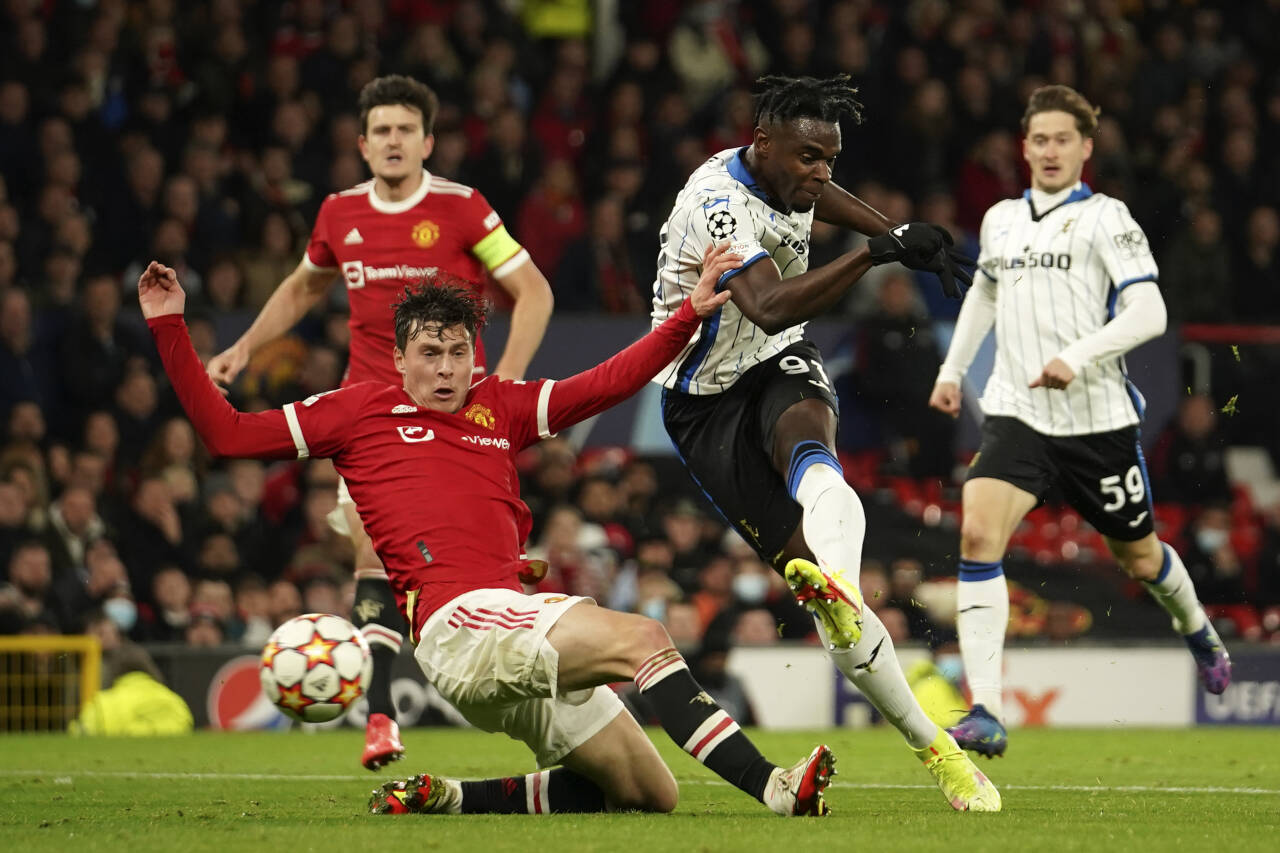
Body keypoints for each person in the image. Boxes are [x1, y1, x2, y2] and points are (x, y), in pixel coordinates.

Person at [139, 249, 836, 818]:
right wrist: (170, 325)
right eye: (431, 352)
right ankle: (778, 789)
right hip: (460, 625)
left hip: (508, 622)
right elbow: (225, 434)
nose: (446, 369)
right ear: (400, 355)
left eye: (459, 352)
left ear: (476, 353)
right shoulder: (354, 412)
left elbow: (604, 383)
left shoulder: (496, 404)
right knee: (644, 639)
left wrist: (686, 316)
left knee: (649, 794)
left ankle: (450, 798)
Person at [650, 74, 999, 812]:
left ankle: (839, 590)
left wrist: (890, 232)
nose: (820, 172)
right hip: (702, 402)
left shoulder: (793, 176)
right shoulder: (718, 204)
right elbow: (769, 305)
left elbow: (818, 203)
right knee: (830, 605)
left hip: (774, 364)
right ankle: (930, 739)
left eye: (830, 158)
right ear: (762, 143)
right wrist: (878, 255)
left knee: (815, 450)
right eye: (808, 156)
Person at [205, 75, 555, 770]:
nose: (393, 142)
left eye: (405, 130)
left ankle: (527, 651)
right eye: (380, 132)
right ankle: (381, 718)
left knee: (466, 564)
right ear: (362, 146)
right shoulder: (338, 213)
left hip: (457, 416)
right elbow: (306, 283)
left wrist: (505, 378)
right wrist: (248, 343)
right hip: (371, 420)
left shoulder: (462, 209)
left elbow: (533, 291)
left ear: (427, 141)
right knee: (377, 557)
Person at [928, 84, 1232, 758]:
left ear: (1086, 146)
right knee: (978, 531)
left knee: (1140, 555)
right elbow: (984, 292)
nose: (1050, 150)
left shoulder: (1108, 218)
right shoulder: (1002, 219)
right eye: (1039, 139)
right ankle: (985, 709)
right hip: (1018, 410)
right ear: (1024, 146)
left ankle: (1199, 630)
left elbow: (1149, 313)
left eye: (1064, 138)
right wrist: (953, 371)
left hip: (1095, 421)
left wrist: (1078, 354)